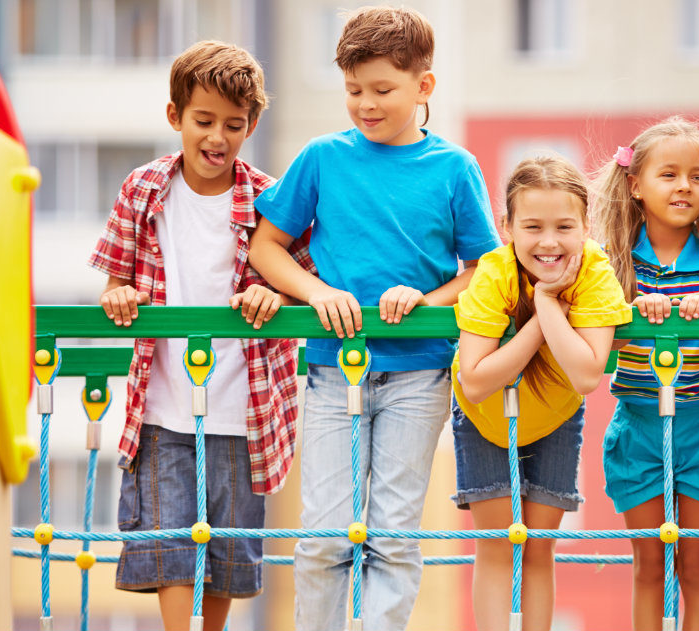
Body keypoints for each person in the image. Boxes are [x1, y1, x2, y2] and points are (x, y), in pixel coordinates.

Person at [247, 6, 501, 629]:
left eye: (383, 90)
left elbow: (484, 272)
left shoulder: (453, 168)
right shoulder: (321, 158)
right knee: (326, 535)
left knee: (392, 533)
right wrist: (313, 291)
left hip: (420, 377)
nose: (365, 103)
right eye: (354, 90)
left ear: (424, 87)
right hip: (334, 373)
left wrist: (426, 299)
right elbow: (265, 246)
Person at [87, 41, 313, 631]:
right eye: (203, 121)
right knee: (170, 546)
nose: (217, 137)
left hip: (244, 407)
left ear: (252, 125)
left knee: (229, 552)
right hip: (163, 407)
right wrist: (121, 294)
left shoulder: (270, 198)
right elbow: (118, 278)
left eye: (233, 125)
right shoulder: (144, 190)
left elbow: (303, 283)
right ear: (175, 117)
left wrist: (277, 295)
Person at [452, 155, 631, 631]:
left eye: (564, 226)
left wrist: (548, 300)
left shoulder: (593, 270)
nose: (549, 242)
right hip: (484, 415)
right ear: (507, 226)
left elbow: (587, 375)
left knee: (538, 545)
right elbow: (474, 378)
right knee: (496, 542)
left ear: (585, 226)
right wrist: (544, 311)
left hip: (555, 414)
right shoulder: (494, 272)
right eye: (532, 226)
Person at [591, 117, 699, 630]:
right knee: (649, 565)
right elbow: (603, 339)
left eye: (697, 177)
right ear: (635, 184)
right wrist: (634, 311)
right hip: (638, 424)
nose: (684, 186)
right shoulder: (613, 259)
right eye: (670, 174)